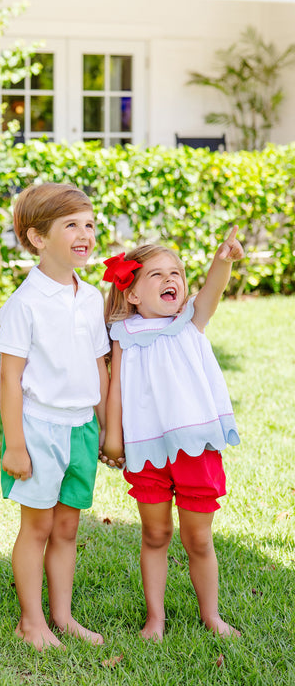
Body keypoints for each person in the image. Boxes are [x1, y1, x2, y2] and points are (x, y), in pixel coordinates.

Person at [102, 226, 244, 641]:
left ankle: (211, 615)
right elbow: (116, 389)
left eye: (176, 273)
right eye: (157, 275)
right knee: (155, 534)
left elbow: (213, 289)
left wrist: (222, 261)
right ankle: (155, 618)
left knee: (198, 538)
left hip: (195, 448)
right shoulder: (123, 334)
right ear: (132, 294)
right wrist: (113, 436)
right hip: (146, 449)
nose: (171, 280)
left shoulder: (190, 320)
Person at [0, 182, 110, 650]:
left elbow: (100, 367)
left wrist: (107, 428)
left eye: (90, 224)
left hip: (82, 428)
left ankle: (62, 617)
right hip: (39, 429)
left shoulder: (92, 297)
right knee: (38, 527)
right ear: (38, 238)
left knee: (67, 528)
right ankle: (31, 622)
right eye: (71, 225)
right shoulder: (24, 303)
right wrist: (15, 446)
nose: (85, 234)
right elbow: (10, 379)